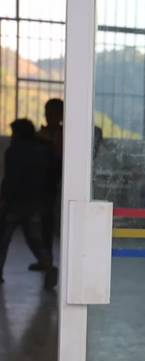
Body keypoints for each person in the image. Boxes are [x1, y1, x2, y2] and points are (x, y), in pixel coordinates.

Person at [0, 119, 56, 289]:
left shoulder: (13, 152)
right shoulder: (43, 151)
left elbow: (10, 180)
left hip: (15, 203)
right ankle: (48, 265)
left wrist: (4, 199)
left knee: (3, 239)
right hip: (35, 202)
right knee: (35, 238)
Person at [36, 98, 63, 269]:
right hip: (44, 186)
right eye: (48, 113)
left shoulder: (65, 135)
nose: (49, 116)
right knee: (44, 224)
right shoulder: (40, 135)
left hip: (57, 184)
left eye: (54, 113)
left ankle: (48, 260)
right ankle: (46, 260)